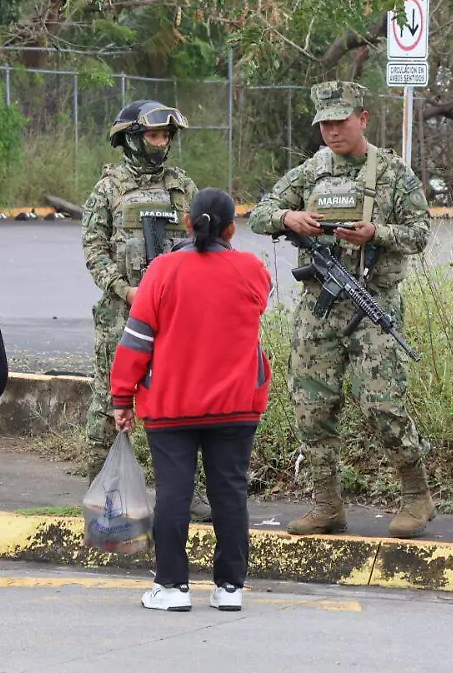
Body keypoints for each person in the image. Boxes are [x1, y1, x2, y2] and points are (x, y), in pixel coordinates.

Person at [249, 81, 435, 539]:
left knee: (382, 406)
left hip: (372, 302)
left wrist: (377, 234)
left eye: (340, 121)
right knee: (311, 407)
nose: (332, 131)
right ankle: (326, 505)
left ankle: (416, 495)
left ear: (363, 119)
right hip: (318, 306)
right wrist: (288, 218)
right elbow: (260, 213)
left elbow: (421, 231)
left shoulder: (392, 173)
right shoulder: (310, 172)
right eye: (325, 124)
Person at [111, 188, 272, 613]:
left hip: (171, 405)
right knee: (230, 494)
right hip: (237, 404)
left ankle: (171, 587)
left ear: (187, 223)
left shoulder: (162, 270)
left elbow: (137, 340)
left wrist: (122, 396)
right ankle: (230, 588)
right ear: (232, 229)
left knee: (173, 494)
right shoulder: (252, 270)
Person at [81, 99, 212, 522]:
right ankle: (101, 492)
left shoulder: (183, 187)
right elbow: (94, 249)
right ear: (133, 139)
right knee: (108, 404)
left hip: (175, 317)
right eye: (154, 135)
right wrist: (124, 289)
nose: (162, 142)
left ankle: (188, 494)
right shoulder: (109, 188)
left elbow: (202, 244)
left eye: (166, 135)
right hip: (123, 314)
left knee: (182, 404)